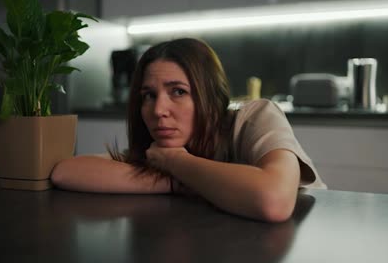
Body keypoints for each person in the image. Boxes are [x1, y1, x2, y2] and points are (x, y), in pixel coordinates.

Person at [51, 38, 326, 223]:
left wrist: (177, 163)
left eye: (178, 92)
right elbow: (66, 171)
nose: (159, 110)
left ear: (209, 96)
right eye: (148, 95)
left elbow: (273, 200)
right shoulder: (163, 150)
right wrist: (178, 178)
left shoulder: (255, 116)